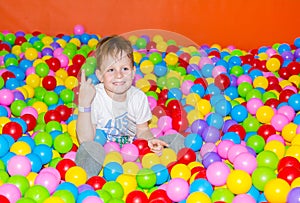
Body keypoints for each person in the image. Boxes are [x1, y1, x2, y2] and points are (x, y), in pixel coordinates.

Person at [75, 35, 185, 178]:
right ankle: (88, 184)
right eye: (111, 70)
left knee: (177, 140)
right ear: (100, 75)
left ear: (133, 72)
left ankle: (184, 174)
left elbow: (143, 131)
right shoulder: (95, 96)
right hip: (102, 155)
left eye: (124, 68)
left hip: (133, 154)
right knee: (90, 150)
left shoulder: (138, 98)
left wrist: (151, 143)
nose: (119, 75)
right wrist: (84, 105)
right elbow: (85, 140)